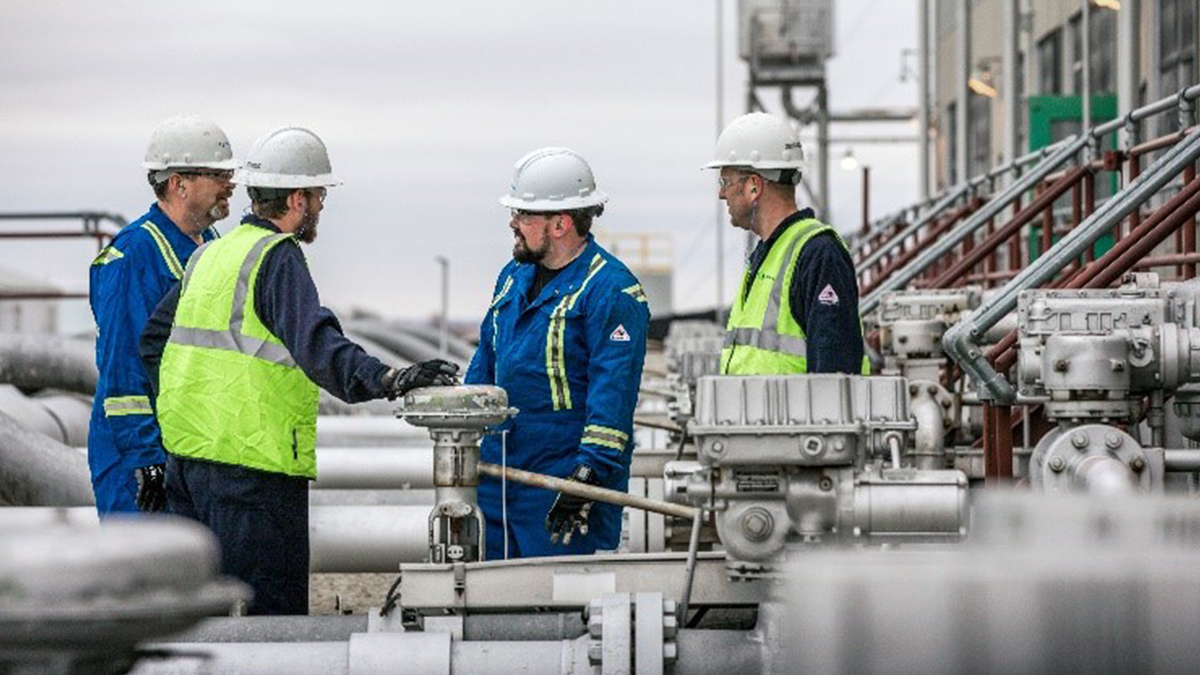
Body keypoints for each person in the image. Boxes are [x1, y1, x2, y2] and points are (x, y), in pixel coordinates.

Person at [139, 126, 458, 615]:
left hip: (190, 465)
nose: (322, 207)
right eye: (319, 196)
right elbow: (320, 348)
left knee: (204, 619)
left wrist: (191, 413)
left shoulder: (209, 253)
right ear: (296, 198)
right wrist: (390, 380)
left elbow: (153, 343)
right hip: (253, 471)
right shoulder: (277, 257)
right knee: (271, 622)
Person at [465, 147, 650, 559]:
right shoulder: (512, 278)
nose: (513, 223)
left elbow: (613, 397)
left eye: (524, 215)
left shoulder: (611, 291)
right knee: (489, 605)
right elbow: (485, 365)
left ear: (561, 224)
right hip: (497, 478)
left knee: (554, 615)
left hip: (560, 489)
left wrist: (585, 477)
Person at [88, 114, 236, 517]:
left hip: (191, 450)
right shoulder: (134, 256)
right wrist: (145, 458)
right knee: (145, 573)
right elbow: (123, 368)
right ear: (178, 183)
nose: (230, 185)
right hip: (141, 460)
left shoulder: (212, 245)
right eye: (217, 175)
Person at [705, 112, 868, 375]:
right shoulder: (768, 254)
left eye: (726, 181)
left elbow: (835, 381)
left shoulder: (818, 254)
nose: (721, 193)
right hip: (756, 417)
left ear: (754, 187)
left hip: (793, 418)